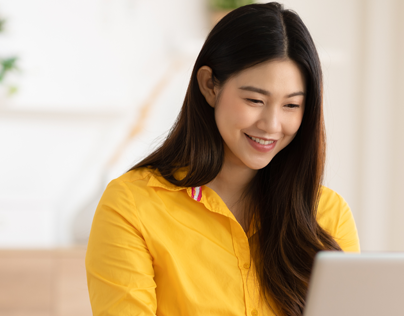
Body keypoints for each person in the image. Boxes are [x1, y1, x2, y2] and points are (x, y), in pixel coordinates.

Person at [85, 3, 360, 315]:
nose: (271, 125)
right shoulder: (132, 205)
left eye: (291, 106)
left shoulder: (327, 214)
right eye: (255, 100)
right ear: (210, 85)